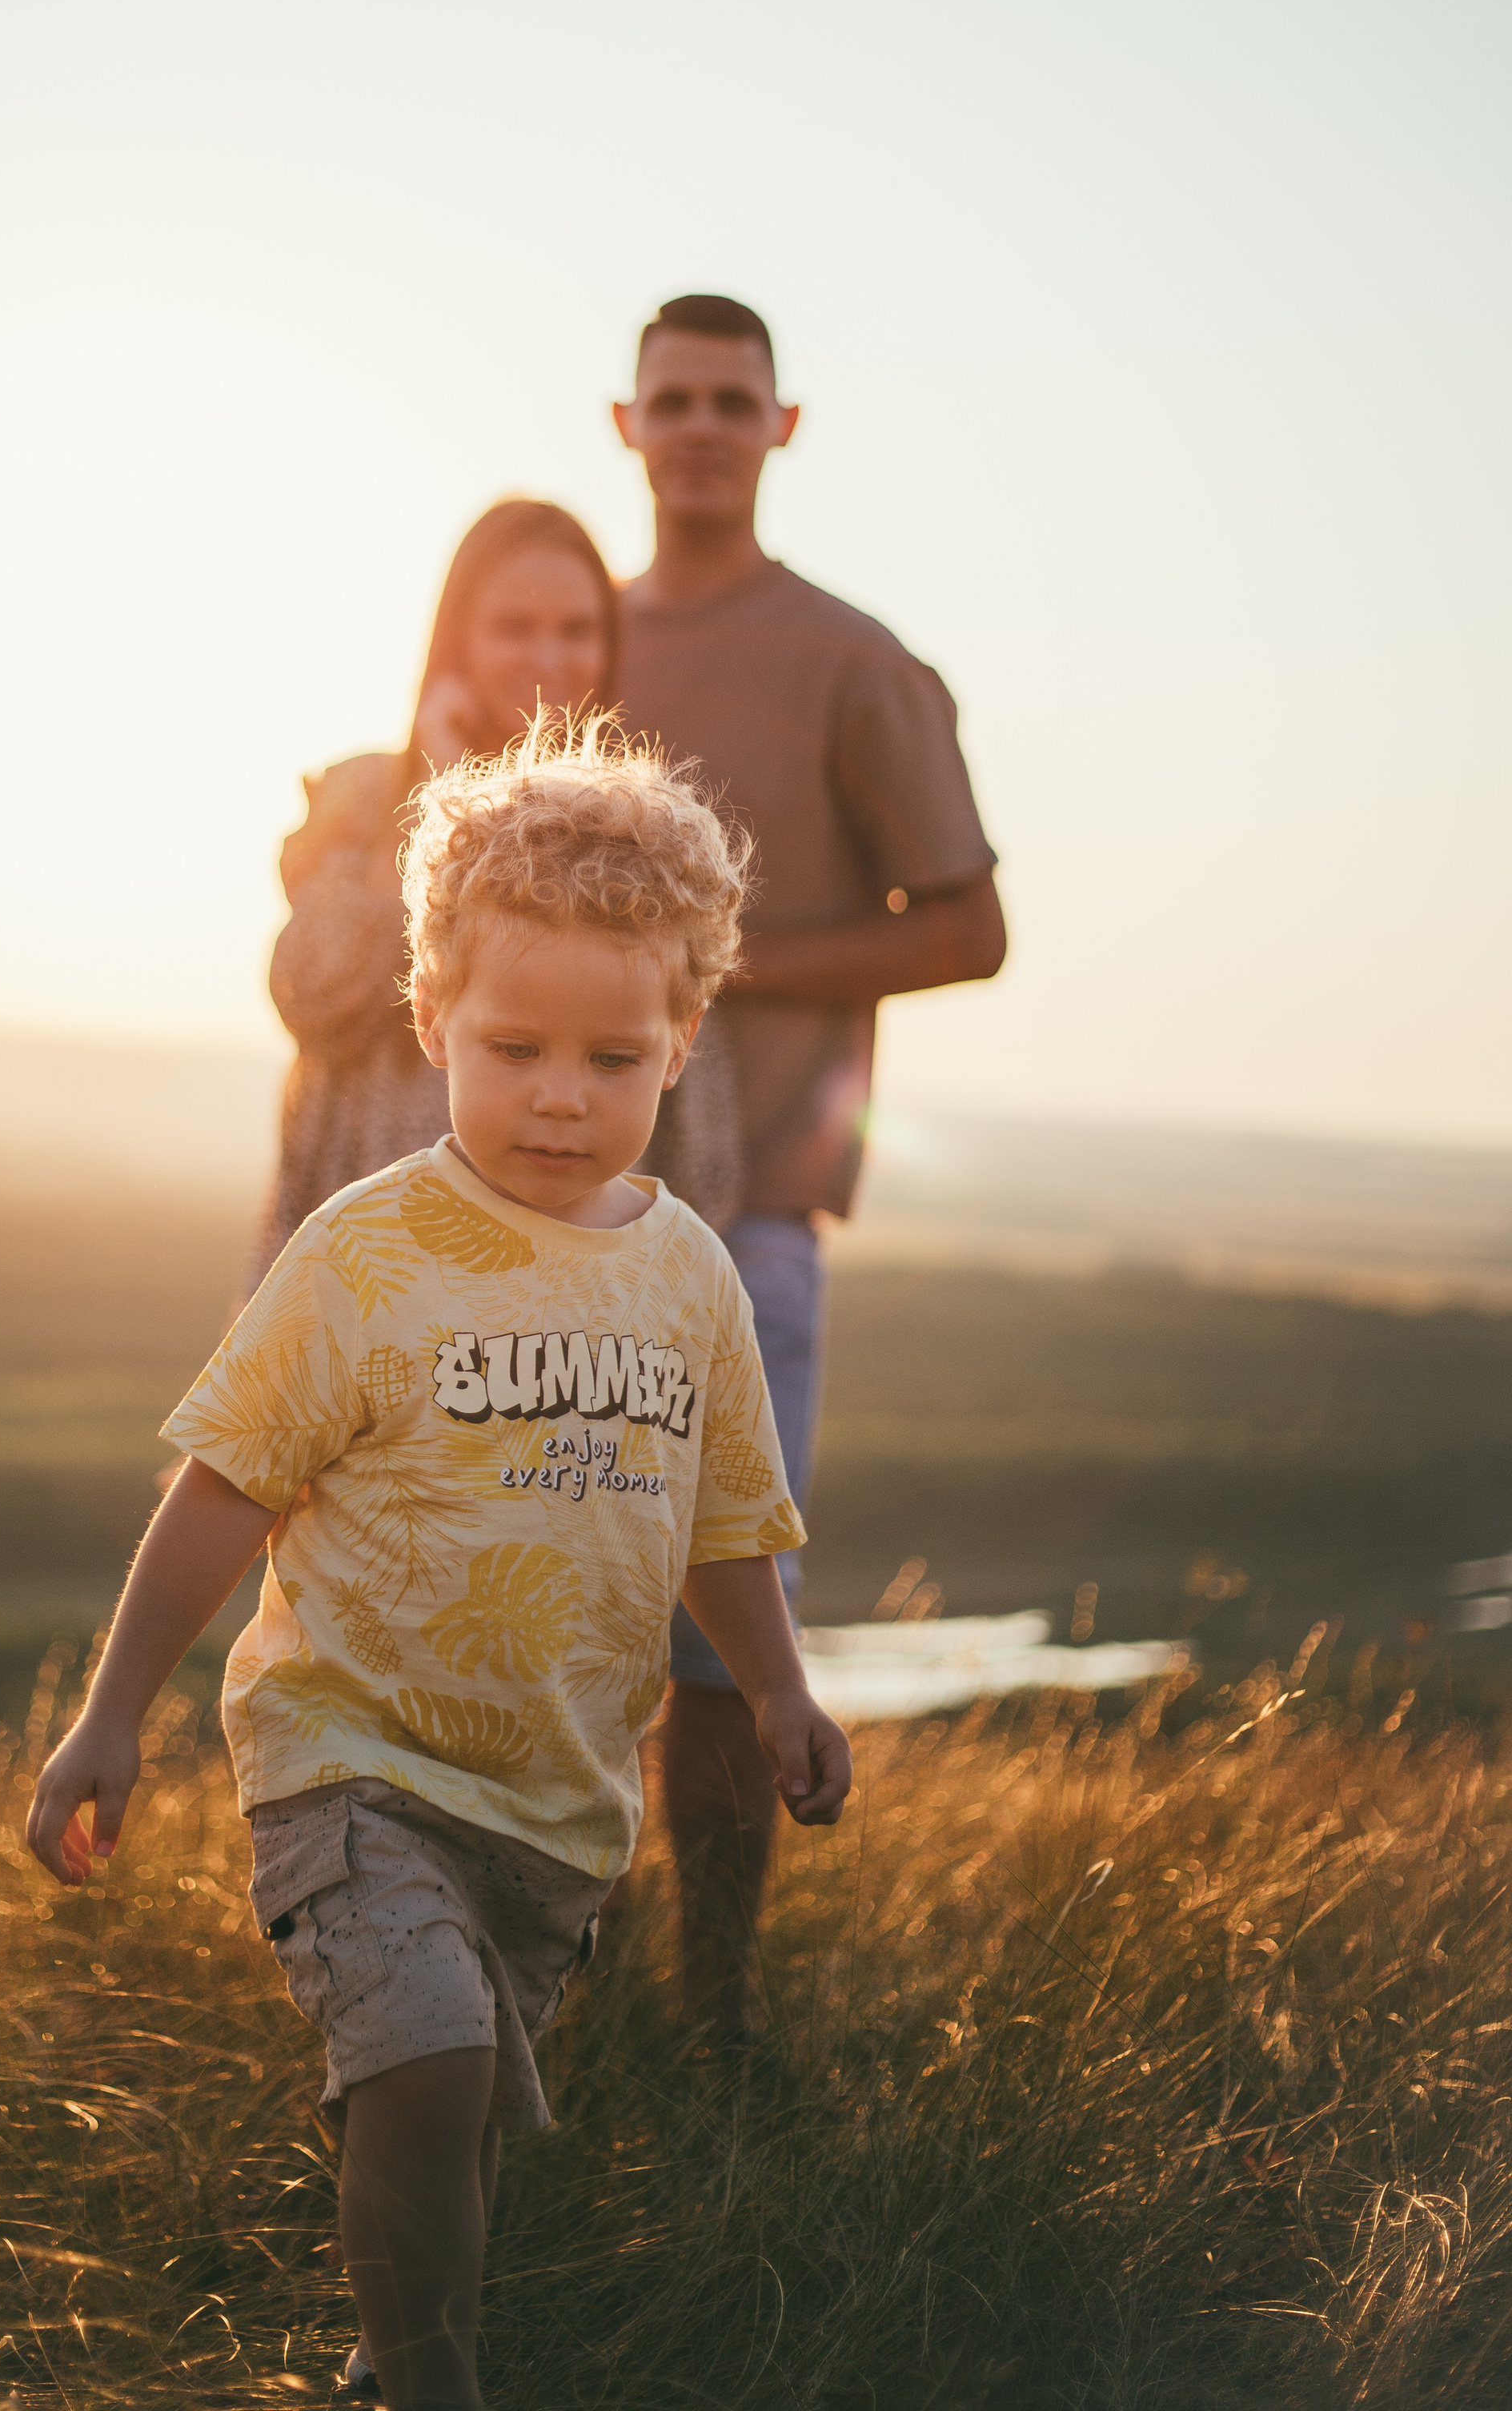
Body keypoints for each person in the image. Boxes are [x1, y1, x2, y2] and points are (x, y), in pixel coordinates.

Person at [27, 724, 854, 2411]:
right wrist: (112, 1711)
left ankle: (392, 2356)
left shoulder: (688, 1280)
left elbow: (720, 1526)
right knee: (423, 2067)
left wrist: (774, 1690)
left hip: (551, 1803)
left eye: (613, 1059)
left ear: (683, 1040)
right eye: (513, 1045)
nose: (561, 1094)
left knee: (467, 2112)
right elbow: (219, 1490)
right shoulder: (369, 1250)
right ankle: (432, 2389)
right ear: (432, 1022)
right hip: (351, 1765)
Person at [612, 293, 1005, 2037]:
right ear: (623, 426)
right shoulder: (572, 635)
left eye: (731, 399)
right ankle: (542, 1986)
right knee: (519, 1608)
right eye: (669, 398)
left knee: (713, 1639)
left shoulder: (852, 659)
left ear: (782, 428)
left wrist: (711, 959)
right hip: (543, 1207)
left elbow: (971, 928)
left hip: (748, 1212)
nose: (698, 424)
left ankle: (710, 2023)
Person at [247, 495, 741, 1294]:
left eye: (577, 630)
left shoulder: (640, 834)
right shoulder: (362, 799)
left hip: (558, 1285)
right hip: (357, 1263)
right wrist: (430, 805)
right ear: (456, 642)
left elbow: (699, 1120)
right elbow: (311, 991)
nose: (547, 655)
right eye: (514, 626)